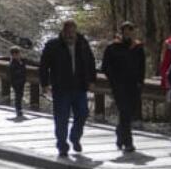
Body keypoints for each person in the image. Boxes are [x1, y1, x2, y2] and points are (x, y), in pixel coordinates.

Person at [38, 19, 96, 157]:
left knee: (82, 113)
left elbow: (91, 61)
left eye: (73, 32)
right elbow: (44, 66)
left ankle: (75, 137)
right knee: (61, 118)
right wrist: (45, 84)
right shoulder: (53, 45)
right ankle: (62, 145)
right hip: (61, 88)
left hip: (79, 87)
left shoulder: (83, 44)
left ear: (76, 31)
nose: (70, 35)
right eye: (68, 32)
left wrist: (92, 80)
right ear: (63, 32)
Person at [101, 22, 145, 152]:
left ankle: (120, 133)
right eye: (125, 31)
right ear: (121, 32)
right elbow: (105, 67)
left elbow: (142, 67)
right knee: (124, 111)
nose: (128, 33)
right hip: (119, 86)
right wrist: (114, 80)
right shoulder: (113, 47)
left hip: (133, 86)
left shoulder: (137, 48)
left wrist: (140, 81)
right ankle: (128, 142)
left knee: (129, 113)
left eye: (130, 30)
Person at [8, 46, 28, 118]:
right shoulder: (12, 64)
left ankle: (19, 109)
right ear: (12, 55)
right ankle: (18, 110)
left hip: (22, 81)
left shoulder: (22, 60)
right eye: (15, 54)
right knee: (18, 95)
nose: (17, 55)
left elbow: (31, 62)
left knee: (20, 95)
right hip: (16, 82)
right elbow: (13, 73)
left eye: (18, 53)